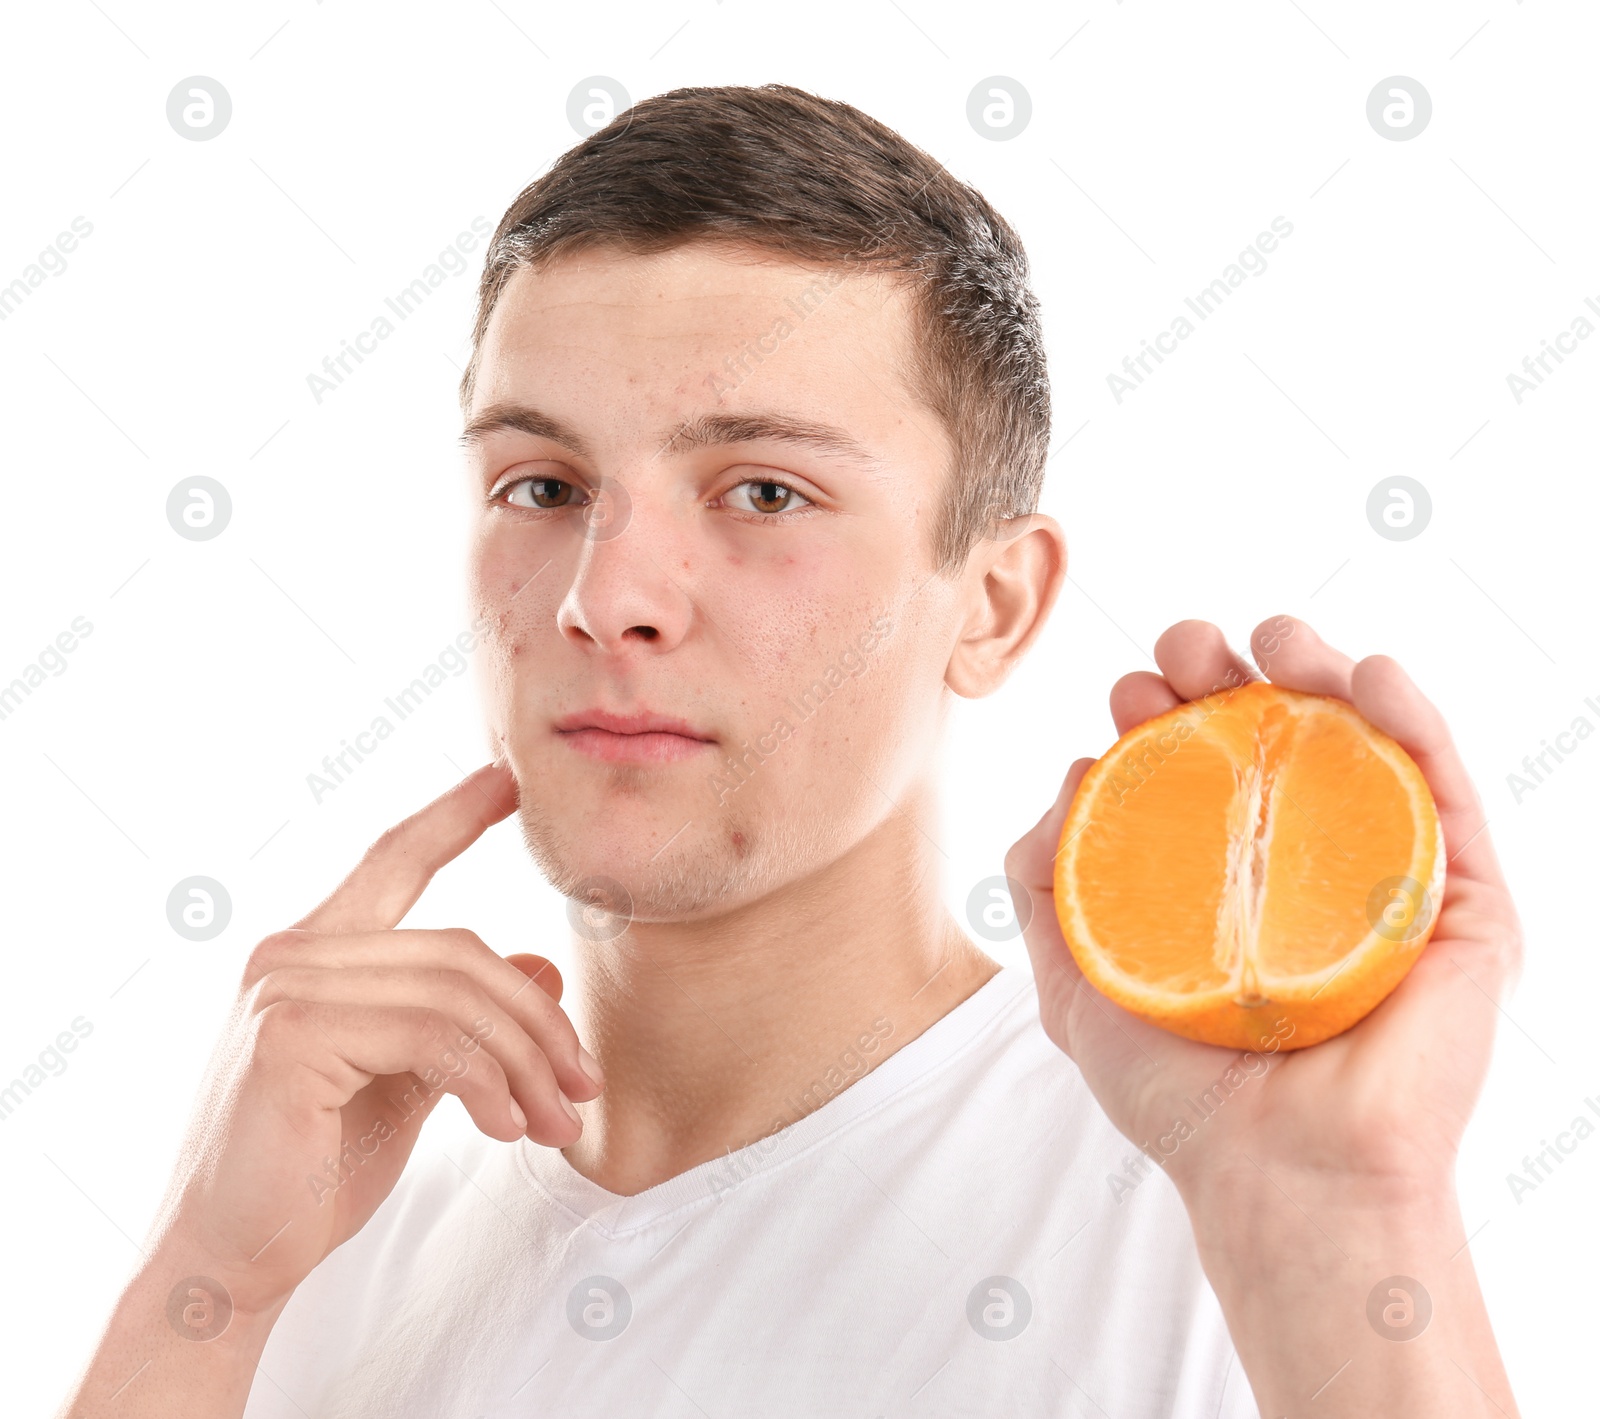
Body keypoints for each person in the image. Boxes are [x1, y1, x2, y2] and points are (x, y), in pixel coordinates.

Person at [60, 84, 1522, 1418]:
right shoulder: (312, 1231)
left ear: (996, 604)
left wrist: (1342, 1232)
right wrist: (206, 1287)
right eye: (543, 482)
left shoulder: (1221, 1216)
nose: (603, 598)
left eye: (762, 490)